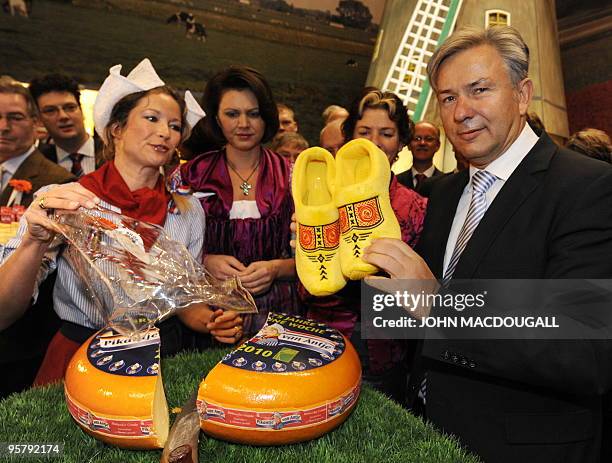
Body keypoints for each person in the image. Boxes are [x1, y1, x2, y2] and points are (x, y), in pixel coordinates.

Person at [363, 26, 612, 462]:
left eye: (479, 89)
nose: (462, 112)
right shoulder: (445, 194)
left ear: (522, 94)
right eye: (447, 97)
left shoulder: (587, 188)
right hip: (428, 434)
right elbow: (413, 320)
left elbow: (584, 351)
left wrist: (439, 304)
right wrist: (335, 257)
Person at [0, 59, 243, 386]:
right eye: (152, 118)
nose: (164, 132)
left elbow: (183, 301)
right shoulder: (66, 200)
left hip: (156, 358)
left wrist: (213, 320)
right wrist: (33, 241)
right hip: (79, 355)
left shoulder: (187, 212)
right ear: (117, 129)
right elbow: (4, 310)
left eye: (174, 125)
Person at [299, 87, 427, 404]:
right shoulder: (323, 199)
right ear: (349, 139)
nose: (374, 142)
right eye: (364, 131)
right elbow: (309, 280)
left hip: (388, 348)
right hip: (325, 337)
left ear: (400, 145)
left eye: (386, 133)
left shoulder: (417, 206)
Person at [172, 65, 298, 337]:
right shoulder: (189, 175)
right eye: (232, 114)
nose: (243, 124)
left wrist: (276, 269)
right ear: (216, 118)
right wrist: (204, 260)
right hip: (208, 317)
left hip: (279, 317)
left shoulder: (293, 176)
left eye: (253, 114)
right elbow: (166, 251)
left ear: (267, 118)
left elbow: (316, 257)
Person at [0, 77, 75, 398]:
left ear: (34, 122)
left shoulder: (57, 183)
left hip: (18, 343)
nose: (3, 126)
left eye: (15, 118)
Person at [29, 73, 104, 176]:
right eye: (50, 111)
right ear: (39, 120)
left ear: (81, 110)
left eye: (70, 107)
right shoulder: (37, 163)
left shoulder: (113, 152)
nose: (63, 116)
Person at [396, 121, 444, 192]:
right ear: (409, 145)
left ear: (438, 146)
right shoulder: (395, 182)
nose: (422, 143)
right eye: (417, 138)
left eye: (429, 139)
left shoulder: (446, 183)